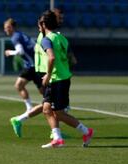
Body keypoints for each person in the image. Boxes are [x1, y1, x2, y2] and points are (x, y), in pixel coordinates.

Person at [10, 9, 73, 138]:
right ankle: (55, 133)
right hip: (46, 72)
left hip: (43, 71)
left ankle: (55, 133)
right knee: (49, 104)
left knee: (48, 104)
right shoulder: (48, 35)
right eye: (58, 18)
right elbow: (51, 55)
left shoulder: (46, 34)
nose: (60, 20)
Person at [39, 10, 93, 148]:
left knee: (59, 113)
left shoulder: (46, 39)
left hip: (57, 79)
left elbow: (51, 57)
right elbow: (71, 59)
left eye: (40, 24)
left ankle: (86, 131)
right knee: (46, 109)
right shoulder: (61, 38)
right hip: (61, 78)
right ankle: (57, 139)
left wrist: (49, 74)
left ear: (44, 24)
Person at [4, 18, 41, 112]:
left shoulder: (15, 37)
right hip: (36, 65)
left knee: (19, 85)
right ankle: (60, 105)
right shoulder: (20, 34)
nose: (5, 30)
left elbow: (20, 51)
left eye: (7, 27)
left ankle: (29, 108)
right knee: (43, 91)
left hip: (31, 65)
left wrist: (10, 52)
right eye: (5, 28)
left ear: (12, 27)